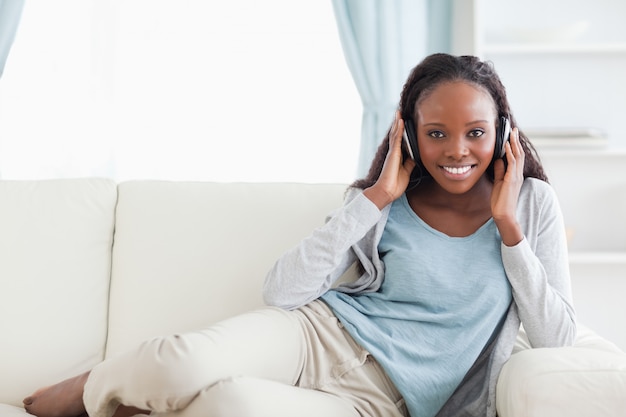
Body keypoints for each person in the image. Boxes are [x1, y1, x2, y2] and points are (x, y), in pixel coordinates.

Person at [23, 53, 576, 417]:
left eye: (475, 133)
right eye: (437, 134)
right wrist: (376, 198)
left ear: (504, 132)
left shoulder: (531, 205)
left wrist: (510, 231)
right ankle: (95, 387)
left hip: (379, 402)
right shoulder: (380, 202)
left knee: (231, 406)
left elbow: (557, 340)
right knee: (177, 364)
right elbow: (283, 293)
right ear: (408, 135)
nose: (458, 150)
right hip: (320, 336)